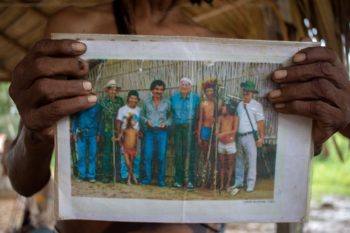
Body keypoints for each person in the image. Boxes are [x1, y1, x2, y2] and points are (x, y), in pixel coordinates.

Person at [7, 0, 350, 232]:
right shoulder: (72, 32)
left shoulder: (222, 46)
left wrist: (309, 137)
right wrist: (35, 134)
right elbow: (24, 180)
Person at [231, 81, 264, 193]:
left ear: (252, 93)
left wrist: (261, 138)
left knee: (251, 161)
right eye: (244, 91)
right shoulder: (239, 105)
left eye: (248, 92)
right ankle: (239, 182)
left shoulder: (257, 105)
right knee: (239, 161)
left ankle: (250, 184)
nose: (245, 93)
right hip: (239, 136)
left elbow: (260, 123)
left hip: (250, 137)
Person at [171, 77, 200, 189]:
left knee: (191, 155)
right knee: (179, 155)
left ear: (190, 87)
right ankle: (178, 180)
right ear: (179, 86)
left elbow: (198, 115)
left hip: (190, 129)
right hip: (178, 129)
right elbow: (170, 114)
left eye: (186, 84)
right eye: (182, 84)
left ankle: (191, 181)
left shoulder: (196, 99)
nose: (184, 86)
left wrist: (197, 128)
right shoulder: (173, 98)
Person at [140, 80, 171, 187]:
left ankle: (161, 180)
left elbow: (171, 117)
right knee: (148, 156)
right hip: (149, 132)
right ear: (152, 90)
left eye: (161, 89)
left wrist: (166, 123)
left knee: (161, 156)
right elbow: (141, 116)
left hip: (162, 133)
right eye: (156, 89)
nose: (159, 91)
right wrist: (146, 121)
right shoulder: (146, 102)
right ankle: (147, 179)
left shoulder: (167, 103)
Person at [99, 79, 124, 183]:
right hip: (108, 130)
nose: (113, 91)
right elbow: (104, 116)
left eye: (115, 90)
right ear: (107, 90)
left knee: (118, 153)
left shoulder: (120, 101)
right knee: (107, 153)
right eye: (111, 89)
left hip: (118, 130)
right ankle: (106, 175)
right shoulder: (103, 102)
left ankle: (118, 175)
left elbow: (122, 114)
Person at [198, 79, 220, 189]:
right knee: (205, 156)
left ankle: (213, 181)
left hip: (215, 131)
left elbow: (222, 117)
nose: (210, 93)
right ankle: (203, 181)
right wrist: (199, 136)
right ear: (205, 92)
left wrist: (217, 121)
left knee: (213, 157)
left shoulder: (218, 103)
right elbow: (200, 121)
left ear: (214, 91)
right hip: (205, 131)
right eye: (208, 91)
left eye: (212, 90)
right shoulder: (203, 104)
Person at [71, 104, 102, 183]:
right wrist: (74, 133)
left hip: (93, 134)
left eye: (90, 90)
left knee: (92, 155)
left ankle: (91, 176)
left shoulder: (97, 106)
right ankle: (82, 175)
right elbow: (74, 120)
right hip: (81, 134)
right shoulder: (79, 104)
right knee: (81, 155)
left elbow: (100, 120)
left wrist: (98, 133)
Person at [116, 90, 142, 184]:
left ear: (138, 100)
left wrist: (140, 134)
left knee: (136, 156)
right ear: (128, 98)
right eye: (131, 98)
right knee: (124, 156)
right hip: (125, 136)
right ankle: (124, 175)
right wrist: (119, 136)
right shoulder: (122, 109)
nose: (133, 100)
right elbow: (118, 123)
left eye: (135, 98)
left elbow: (141, 124)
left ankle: (136, 175)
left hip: (136, 137)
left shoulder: (139, 110)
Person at [216, 101, 238, 192]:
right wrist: (217, 133)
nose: (222, 109)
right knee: (222, 165)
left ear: (229, 109)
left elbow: (234, 130)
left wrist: (223, 134)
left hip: (230, 144)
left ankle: (227, 184)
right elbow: (217, 129)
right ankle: (221, 185)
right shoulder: (220, 118)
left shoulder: (235, 118)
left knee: (230, 165)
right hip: (221, 144)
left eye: (224, 107)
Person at [121, 113, 139, 185]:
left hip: (132, 150)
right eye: (133, 121)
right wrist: (115, 138)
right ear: (129, 121)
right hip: (126, 149)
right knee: (128, 164)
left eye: (136, 122)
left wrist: (136, 150)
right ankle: (133, 177)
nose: (134, 123)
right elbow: (120, 137)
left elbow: (137, 142)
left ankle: (129, 179)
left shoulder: (136, 131)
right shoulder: (125, 130)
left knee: (131, 164)